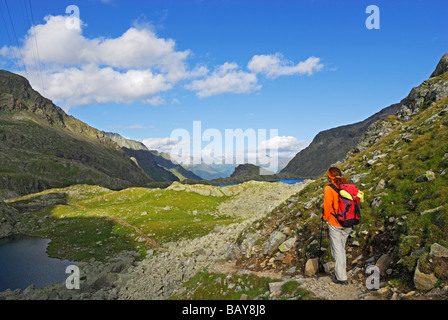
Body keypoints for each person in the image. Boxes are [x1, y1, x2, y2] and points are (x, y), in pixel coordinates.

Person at [322, 166, 351, 285]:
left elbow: (328, 206)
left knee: (337, 250)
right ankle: (341, 273)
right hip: (349, 222)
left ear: (329, 177)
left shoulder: (329, 189)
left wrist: (324, 217)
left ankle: (341, 278)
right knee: (341, 249)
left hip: (335, 222)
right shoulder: (347, 186)